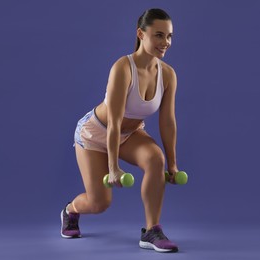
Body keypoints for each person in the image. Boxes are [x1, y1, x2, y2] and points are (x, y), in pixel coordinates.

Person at [61, 8, 180, 253]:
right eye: (158, 35)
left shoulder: (168, 75)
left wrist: (173, 164)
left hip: (130, 134)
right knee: (99, 203)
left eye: (169, 36)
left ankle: (151, 230)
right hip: (95, 134)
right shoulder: (122, 68)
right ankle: (70, 210)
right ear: (141, 33)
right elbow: (114, 122)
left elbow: (167, 121)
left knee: (155, 158)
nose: (165, 42)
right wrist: (114, 168)